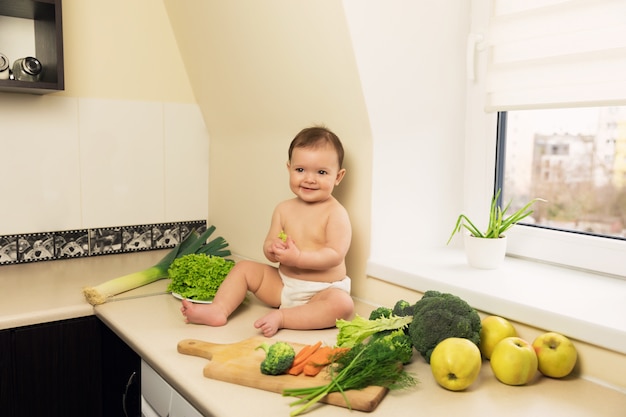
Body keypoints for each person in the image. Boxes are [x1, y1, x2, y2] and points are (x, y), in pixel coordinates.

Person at [180, 126, 354, 337]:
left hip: (322, 291)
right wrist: (272, 249)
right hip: (283, 285)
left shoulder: (335, 213)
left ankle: (284, 318)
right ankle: (219, 309)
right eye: (300, 170)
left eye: (321, 172)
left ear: (338, 176)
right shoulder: (284, 209)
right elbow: (269, 243)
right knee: (244, 268)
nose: (309, 179)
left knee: (343, 305)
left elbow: (335, 255)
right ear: (289, 168)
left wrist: (298, 258)